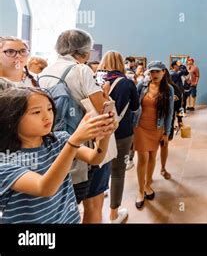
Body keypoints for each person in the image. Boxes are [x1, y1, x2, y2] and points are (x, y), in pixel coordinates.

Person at [0, 87, 116, 223]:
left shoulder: (59, 139)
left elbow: (94, 158)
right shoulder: (5, 160)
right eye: (36, 112)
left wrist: (104, 137)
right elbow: (44, 188)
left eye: (49, 109)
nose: (47, 116)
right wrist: (74, 142)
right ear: (12, 119)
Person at [39, 29, 113, 223]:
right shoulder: (81, 70)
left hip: (52, 142)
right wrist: (105, 93)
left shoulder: (45, 71)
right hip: (83, 147)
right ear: (86, 51)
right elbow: (102, 108)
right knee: (93, 202)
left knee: (60, 203)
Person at [97, 51, 139, 223]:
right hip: (122, 132)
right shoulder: (128, 83)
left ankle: (95, 209)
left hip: (99, 130)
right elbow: (135, 107)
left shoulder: (96, 80)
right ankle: (113, 214)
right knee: (118, 172)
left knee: (99, 168)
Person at [133, 61, 174, 209]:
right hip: (140, 127)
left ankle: (147, 185)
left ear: (163, 72)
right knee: (142, 158)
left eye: (157, 71)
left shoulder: (168, 90)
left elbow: (169, 112)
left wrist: (166, 133)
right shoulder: (141, 86)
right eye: (151, 72)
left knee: (152, 157)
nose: (154, 75)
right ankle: (140, 191)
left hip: (157, 128)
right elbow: (134, 106)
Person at [170, 61, 189, 128]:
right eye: (177, 65)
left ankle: (180, 122)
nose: (179, 67)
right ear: (174, 66)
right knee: (173, 110)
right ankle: (171, 125)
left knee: (180, 109)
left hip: (179, 94)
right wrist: (182, 65)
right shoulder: (172, 73)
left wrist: (181, 65)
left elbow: (186, 72)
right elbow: (183, 71)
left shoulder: (177, 73)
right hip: (174, 95)